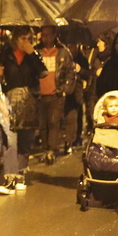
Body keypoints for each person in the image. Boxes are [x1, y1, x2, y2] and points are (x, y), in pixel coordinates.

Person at [0, 27, 48, 195]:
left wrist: (32, 54)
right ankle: (9, 179)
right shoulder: (6, 53)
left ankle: (21, 174)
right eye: (23, 38)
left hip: (28, 101)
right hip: (9, 101)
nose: (26, 42)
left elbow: (43, 72)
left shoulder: (34, 55)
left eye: (29, 38)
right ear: (15, 39)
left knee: (25, 141)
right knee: (10, 140)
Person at [36, 26, 76, 163]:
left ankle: (51, 150)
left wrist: (64, 89)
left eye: (48, 35)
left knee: (54, 122)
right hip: (40, 94)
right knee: (42, 124)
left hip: (56, 94)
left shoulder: (63, 52)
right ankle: (45, 148)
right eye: (44, 35)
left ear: (54, 35)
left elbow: (71, 72)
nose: (46, 38)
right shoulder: (37, 51)